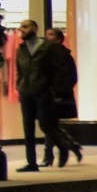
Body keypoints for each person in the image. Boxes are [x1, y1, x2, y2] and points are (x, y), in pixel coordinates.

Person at [38, 26, 83, 166]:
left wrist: (59, 91)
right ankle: (70, 145)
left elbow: (71, 76)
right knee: (50, 124)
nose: (47, 37)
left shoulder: (63, 54)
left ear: (58, 38)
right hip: (49, 93)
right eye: (46, 34)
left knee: (49, 124)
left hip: (58, 94)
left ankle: (49, 155)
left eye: (51, 35)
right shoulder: (45, 53)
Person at [11, 18, 47, 173]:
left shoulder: (46, 47)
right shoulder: (21, 50)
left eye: (25, 27)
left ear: (35, 28)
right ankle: (31, 162)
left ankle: (64, 147)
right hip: (26, 93)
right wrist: (20, 86)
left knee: (47, 125)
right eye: (20, 27)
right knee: (28, 128)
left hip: (43, 92)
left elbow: (57, 69)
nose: (21, 30)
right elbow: (19, 70)